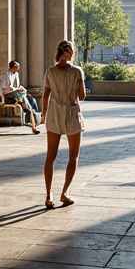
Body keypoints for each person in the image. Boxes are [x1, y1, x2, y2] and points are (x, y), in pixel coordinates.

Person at [42, 39, 86, 208]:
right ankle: (65, 192)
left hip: (54, 114)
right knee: (73, 155)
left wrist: (44, 115)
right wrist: (80, 82)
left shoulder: (50, 71)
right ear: (70, 52)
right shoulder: (77, 71)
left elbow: (46, 95)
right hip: (71, 113)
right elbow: (81, 96)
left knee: (50, 156)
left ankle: (48, 195)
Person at [0, 60, 40, 133]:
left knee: (28, 102)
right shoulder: (6, 75)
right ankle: (32, 124)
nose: (18, 69)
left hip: (17, 94)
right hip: (9, 96)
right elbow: (5, 87)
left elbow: (17, 86)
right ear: (12, 67)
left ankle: (33, 126)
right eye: (16, 67)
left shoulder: (16, 74)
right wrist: (16, 88)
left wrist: (18, 88)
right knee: (26, 103)